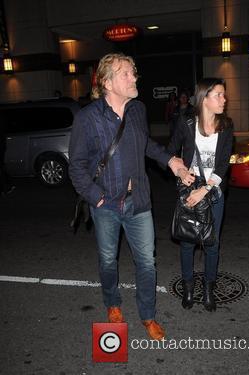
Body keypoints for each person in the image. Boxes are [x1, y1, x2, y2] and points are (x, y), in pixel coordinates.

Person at [68, 53, 187, 340]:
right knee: (108, 260)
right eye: (126, 73)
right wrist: (96, 198)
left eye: (133, 72)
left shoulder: (138, 110)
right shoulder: (88, 118)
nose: (134, 77)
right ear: (107, 82)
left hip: (139, 202)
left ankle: (148, 316)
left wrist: (171, 161)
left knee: (147, 261)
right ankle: (112, 303)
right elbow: (77, 166)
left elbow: (144, 143)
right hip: (105, 204)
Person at [168, 78, 233, 312]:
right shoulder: (186, 124)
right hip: (189, 190)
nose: (224, 99)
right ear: (204, 98)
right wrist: (181, 170)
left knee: (211, 243)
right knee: (187, 242)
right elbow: (170, 152)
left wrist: (204, 190)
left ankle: (208, 289)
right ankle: (187, 287)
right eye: (219, 95)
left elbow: (224, 165)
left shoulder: (227, 126)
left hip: (212, 192)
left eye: (224, 95)